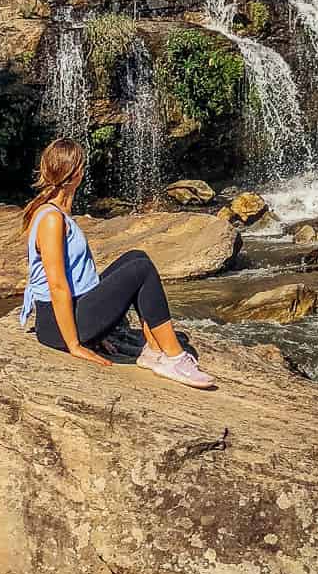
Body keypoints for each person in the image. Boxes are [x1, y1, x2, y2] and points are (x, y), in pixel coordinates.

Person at [20, 138, 214, 389]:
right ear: (76, 173)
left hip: (75, 312)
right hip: (55, 327)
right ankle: (174, 357)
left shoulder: (55, 212)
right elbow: (57, 286)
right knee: (141, 271)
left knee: (136, 257)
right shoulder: (51, 219)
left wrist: (95, 330)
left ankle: (154, 350)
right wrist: (75, 344)